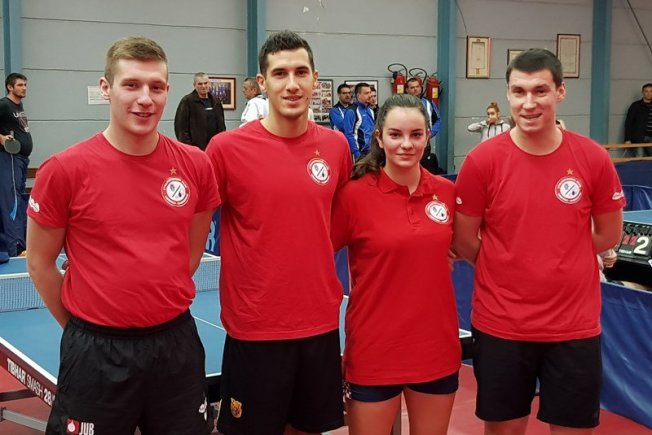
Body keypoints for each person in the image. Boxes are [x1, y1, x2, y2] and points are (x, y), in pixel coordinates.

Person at [26, 36, 220, 435]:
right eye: (131, 85)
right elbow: (39, 263)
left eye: (156, 87)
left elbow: (191, 251)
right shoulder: (63, 170)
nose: (145, 99)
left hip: (176, 345)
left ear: (168, 91)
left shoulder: (196, 165)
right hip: (94, 353)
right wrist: (84, 329)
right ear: (106, 88)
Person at [453, 48, 625, 435]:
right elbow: (465, 240)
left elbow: (609, 235)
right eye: (519, 91)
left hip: (574, 327)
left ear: (560, 92)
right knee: (504, 430)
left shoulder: (592, 158)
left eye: (540, 91)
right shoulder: (482, 161)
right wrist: (509, 264)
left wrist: (558, 258)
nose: (528, 103)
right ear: (508, 94)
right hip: (501, 326)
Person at [205, 30, 351, 435]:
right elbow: (187, 225)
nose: (292, 84)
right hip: (255, 326)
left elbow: (339, 222)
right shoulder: (225, 149)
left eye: (301, 72)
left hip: (320, 322)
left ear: (315, 80)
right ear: (262, 82)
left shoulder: (337, 146)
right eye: (280, 73)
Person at [331, 93, 460, 435]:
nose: (406, 144)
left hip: (435, 347)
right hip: (374, 349)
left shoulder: (446, 193)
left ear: (428, 136)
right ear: (379, 137)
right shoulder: (353, 195)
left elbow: (465, 245)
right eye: (395, 134)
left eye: (416, 135)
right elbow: (314, 254)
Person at [0, 72, 33, 257]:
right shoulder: (4, 105)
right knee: (11, 202)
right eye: (20, 85)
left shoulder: (18, 106)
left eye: (25, 85)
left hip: (21, 159)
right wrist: (1, 138)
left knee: (19, 201)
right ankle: (15, 248)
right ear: (10, 87)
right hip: (10, 158)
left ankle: (21, 244)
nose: (24, 88)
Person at [174, 71, 226, 150]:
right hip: (195, 149)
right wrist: (189, 148)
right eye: (200, 84)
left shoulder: (216, 102)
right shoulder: (187, 101)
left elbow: (222, 126)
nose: (203, 86)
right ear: (194, 85)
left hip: (215, 147)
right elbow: (181, 128)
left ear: (209, 84)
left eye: (205, 83)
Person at [406, 77, 443, 174]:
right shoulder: (401, 104)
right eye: (412, 87)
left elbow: (438, 120)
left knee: (425, 172)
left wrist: (431, 133)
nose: (415, 89)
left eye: (417, 87)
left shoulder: (428, 103)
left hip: (425, 144)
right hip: (408, 144)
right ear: (407, 90)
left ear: (421, 88)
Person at [343, 82, 374, 161]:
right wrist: (357, 154)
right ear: (358, 95)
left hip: (371, 152)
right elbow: (348, 134)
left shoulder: (370, 111)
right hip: (359, 153)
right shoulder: (351, 111)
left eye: (370, 92)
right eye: (366, 93)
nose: (370, 95)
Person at [624, 82, 652, 157]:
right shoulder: (635, 106)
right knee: (639, 160)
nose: (649, 93)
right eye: (646, 91)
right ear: (643, 92)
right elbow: (628, 123)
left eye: (651, 91)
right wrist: (627, 139)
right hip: (639, 138)